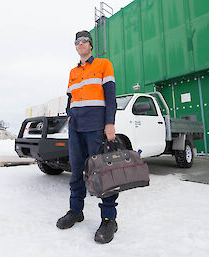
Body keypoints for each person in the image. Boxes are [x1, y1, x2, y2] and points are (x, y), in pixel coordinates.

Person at [56, 30, 118, 244]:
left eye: (84, 41)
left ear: (91, 45)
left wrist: (109, 123)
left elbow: (110, 97)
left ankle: (109, 219)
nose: (80, 44)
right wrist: (70, 116)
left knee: (102, 173)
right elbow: (70, 98)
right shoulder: (73, 72)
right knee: (76, 171)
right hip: (76, 128)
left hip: (96, 127)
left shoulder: (103, 64)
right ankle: (76, 211)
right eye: (77, 42)